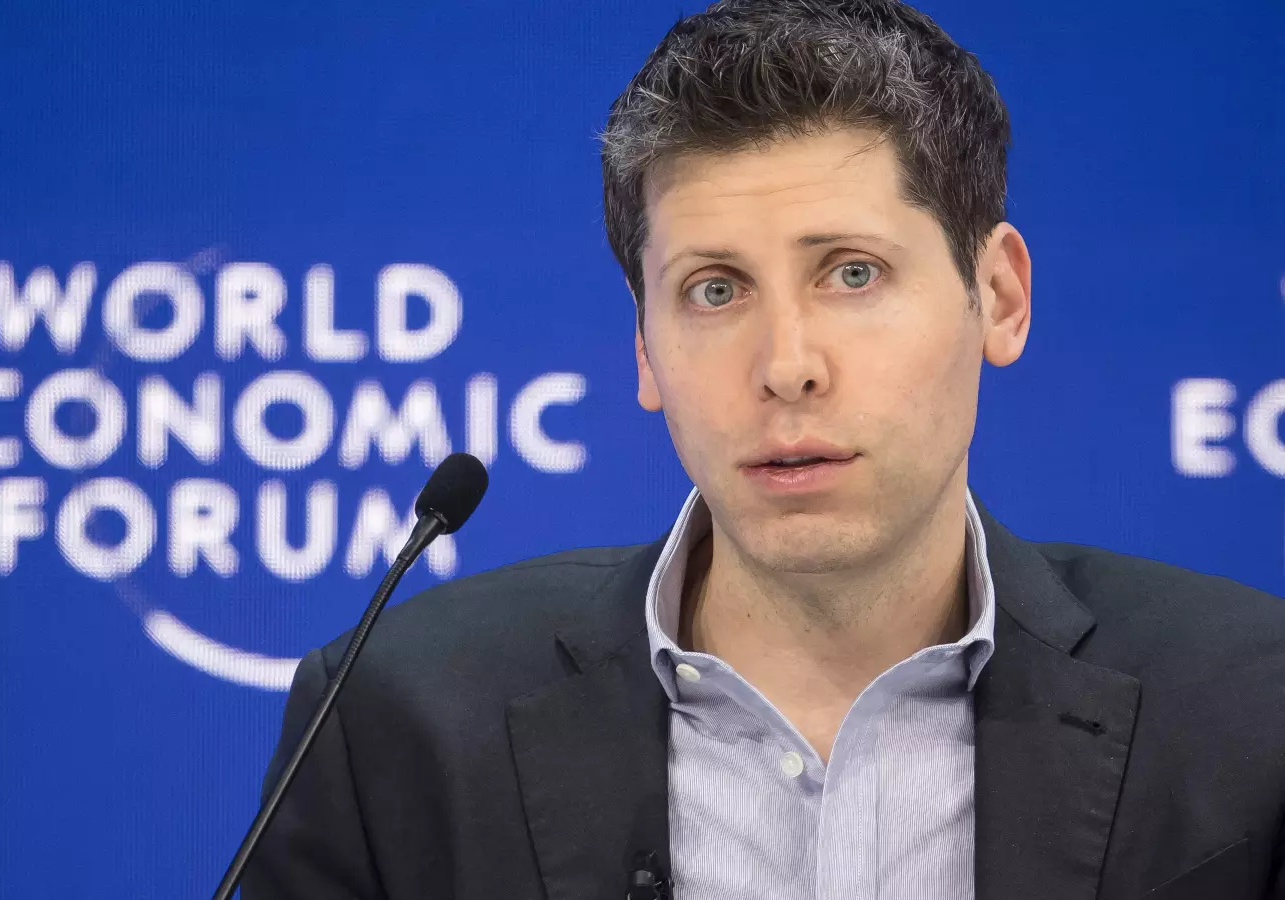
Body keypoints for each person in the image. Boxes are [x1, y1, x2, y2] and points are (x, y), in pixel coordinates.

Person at [242, 1, 1285, 897]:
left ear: (999, 297)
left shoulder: (1248, 711)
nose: (787, 366)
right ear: (644, 346)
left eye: (852, 273)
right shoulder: (393, 723)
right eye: (715, 289)